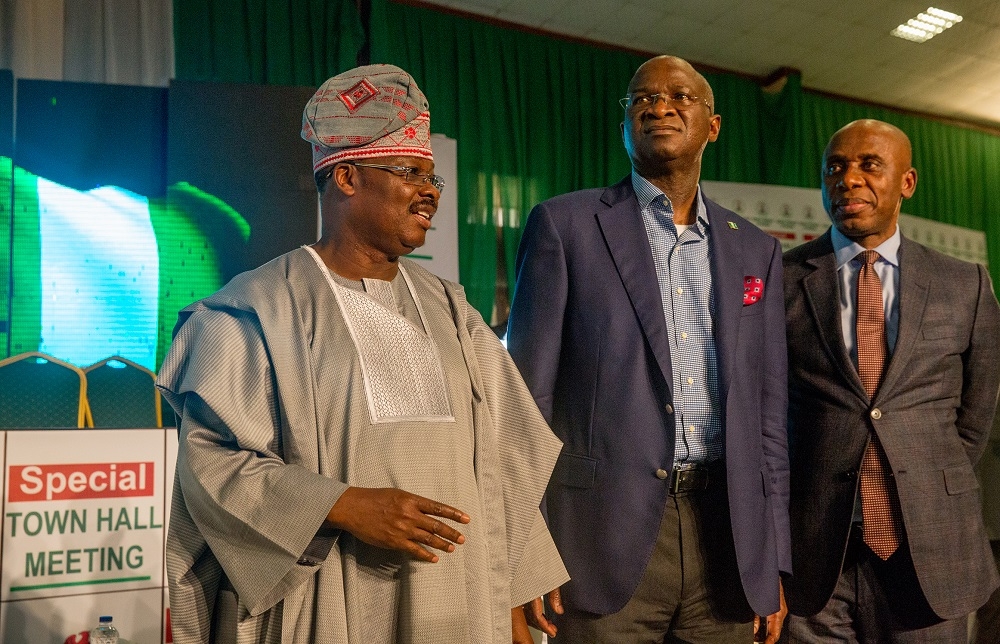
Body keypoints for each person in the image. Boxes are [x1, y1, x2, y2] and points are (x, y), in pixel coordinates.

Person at [157, 64, 568, 644]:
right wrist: (342, 504)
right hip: (333, 602)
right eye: (410, 172)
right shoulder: (254, 309)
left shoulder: (451, 308)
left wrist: (515, 589)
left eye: (433, 177)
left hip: (466, 599)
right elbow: (216, 468)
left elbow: (506, 452)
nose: (430, 191)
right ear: (346, 177)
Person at [507, 54, 791, 642]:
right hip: (598, 540)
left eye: (680, 97)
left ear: (713, 126)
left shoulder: (755, 250)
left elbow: (767, 421)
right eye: (642, 99)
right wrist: (524, 546)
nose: (659, 106)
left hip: (728, 545)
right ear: (624, 126)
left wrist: (774, 564)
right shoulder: (566, 227)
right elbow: (524, 403)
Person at [782, 119, 1000, 642]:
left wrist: (919, 477)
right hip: (814, 559)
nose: (848, 179)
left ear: (907, 182)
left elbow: (974, 420)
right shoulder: (780, 278)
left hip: (930, 553)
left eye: (869, 165)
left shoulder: (964, 284)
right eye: (835, 167)